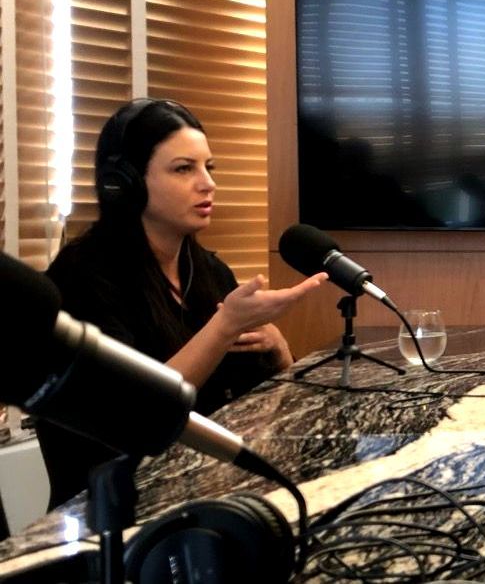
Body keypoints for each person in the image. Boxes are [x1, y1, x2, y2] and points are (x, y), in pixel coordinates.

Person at [38, 99, 328, 508]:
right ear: (126, 183)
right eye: (183, 168)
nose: (207, 183)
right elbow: (135, 418)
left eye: (209, 167)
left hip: (204, 495)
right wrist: (224, 326)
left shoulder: (207, 271)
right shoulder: (82, 276)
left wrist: (282, 355)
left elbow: (253, 407)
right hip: (110, 513)